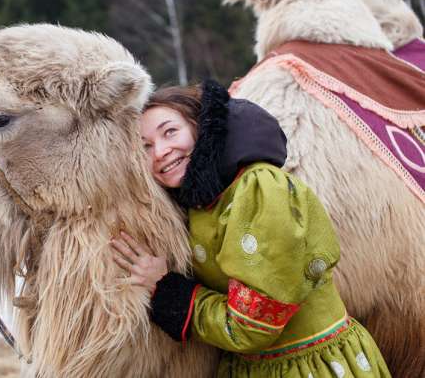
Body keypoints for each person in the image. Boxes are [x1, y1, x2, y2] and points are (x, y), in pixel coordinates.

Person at [111, 79, 390, 377]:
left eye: (170, 132)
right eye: (145, 147)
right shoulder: (198, 201)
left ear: (201, 127)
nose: (161, 152)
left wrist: (166, 289)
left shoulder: (259, 189)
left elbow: (251, 327)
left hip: (307, 367)